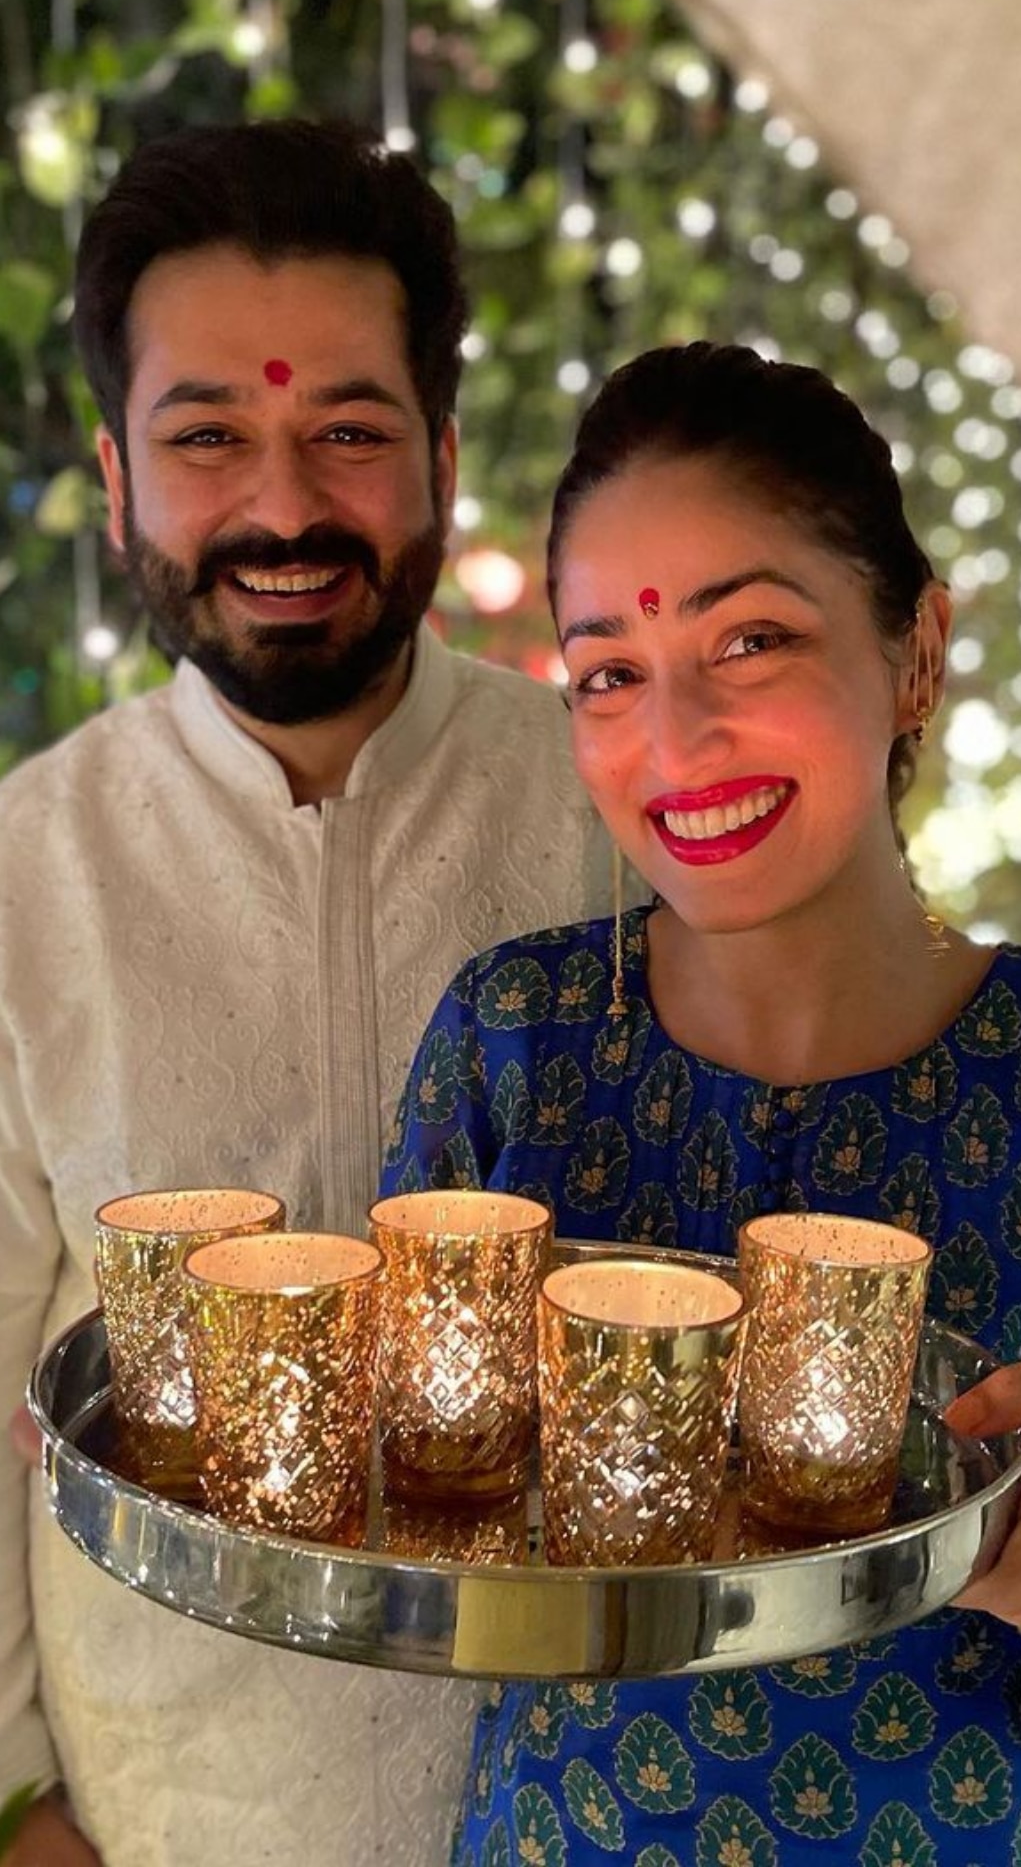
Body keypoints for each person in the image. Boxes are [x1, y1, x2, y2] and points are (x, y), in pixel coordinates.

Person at [0, 119, 626, 1867]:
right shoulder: (22, 877)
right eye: (209, 438)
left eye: (347, 433)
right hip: (168, 1818)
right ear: (118, 478)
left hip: (591, 1802)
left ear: (437, 458)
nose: (284, 509)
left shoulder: (612, 805)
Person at [384, 341, 1021, 1864]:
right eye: (610, 675)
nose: (674, 743)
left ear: (916, 653)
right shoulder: (516, 1043)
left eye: (751, 640)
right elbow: (399, 1525)